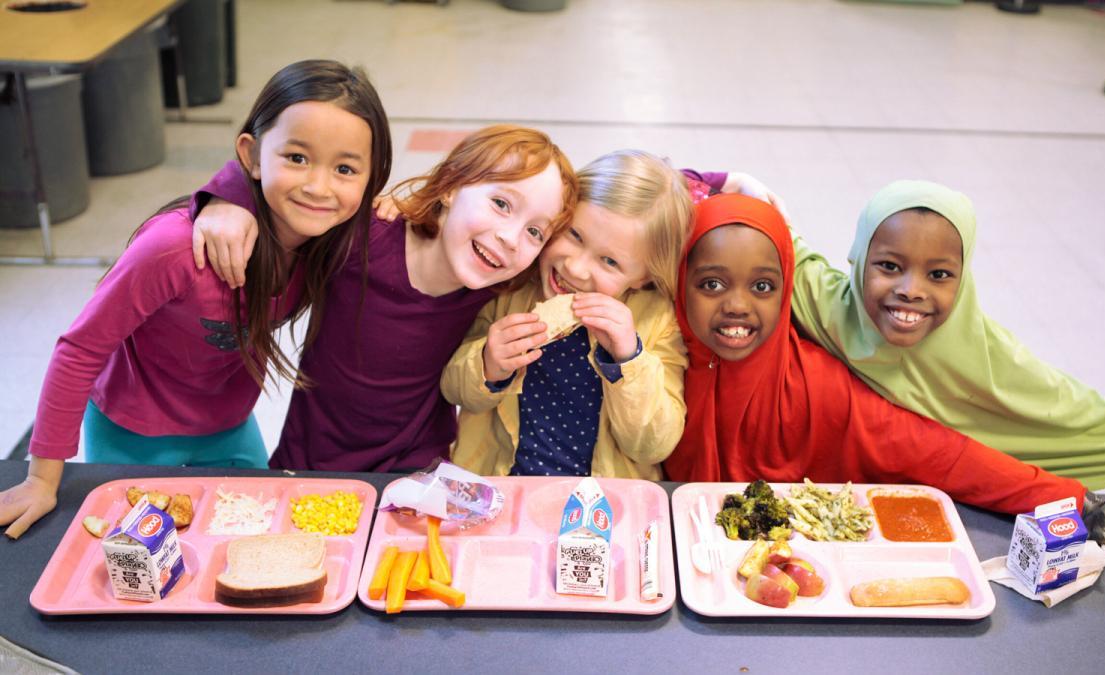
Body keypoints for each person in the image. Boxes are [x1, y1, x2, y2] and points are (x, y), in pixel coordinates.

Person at [666, 193, 1105, 564]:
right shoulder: (649, 361)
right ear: (676, 281)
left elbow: (948, 457)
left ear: (786, 294)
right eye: (711, 283)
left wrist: (1093, 514)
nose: (737, 307)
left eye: (763, 287)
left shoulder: (822, 390)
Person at [1, 59, 392, 539]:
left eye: (345, 168)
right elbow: (80, 350)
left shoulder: (331, 242)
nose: (318, 185)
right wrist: (42, 479)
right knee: (137, 568)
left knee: (257, 543)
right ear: (251, 154)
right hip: (131, 431)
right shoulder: (176, 248)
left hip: (226, 425)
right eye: (296, 158)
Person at [186, 125, 578, 472]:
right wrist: (227, 198)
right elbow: (288, 192)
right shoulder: (362, 237)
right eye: (501, 204)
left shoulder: (500, 286)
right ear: (451, 186)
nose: (510, 237)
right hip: (308, 469)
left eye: (535, 232)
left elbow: (606, 251)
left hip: (415, 479)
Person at [786, 179, 1105, 500]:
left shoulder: (991, 357)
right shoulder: (824, 302)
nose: (912, 290)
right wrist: (731, 181)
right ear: (858, 259)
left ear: (963, 280)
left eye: (939, 275)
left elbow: (1076, 411)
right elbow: (779, 240)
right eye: (890, 266)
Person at [441, 151, 691, 479]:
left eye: (610, 262)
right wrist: (488, 362)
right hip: (503, 490)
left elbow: (651, 446)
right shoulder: (512, 286)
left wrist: (630, 357)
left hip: (603, 507)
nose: (575, 267)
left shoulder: (656, 320)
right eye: (574, 235)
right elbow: (454, 389)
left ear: (643, 277)